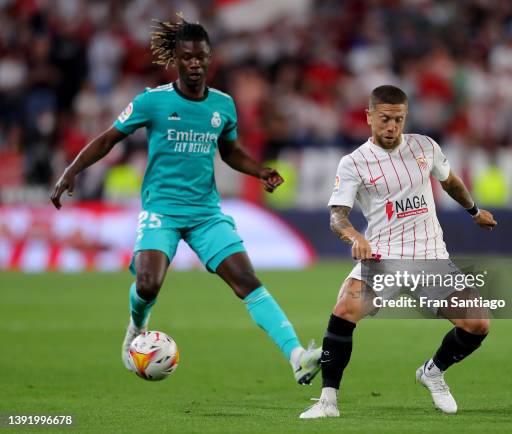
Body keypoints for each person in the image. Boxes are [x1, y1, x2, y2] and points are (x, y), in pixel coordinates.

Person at [50, 15, 321, 385]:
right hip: (161, 209)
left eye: (201, 57)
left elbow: (230, 152)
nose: (194, 64)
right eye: (187, 57)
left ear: (210, 59)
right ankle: (136, 327)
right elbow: (107, 138)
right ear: (175, 59)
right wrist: (71, 171)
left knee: (245, 278)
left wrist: (259, 170)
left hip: (205, 213)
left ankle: (297, 356)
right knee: (147, 284)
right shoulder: (153, 101)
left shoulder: (223, 105)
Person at [299, 85, 497, 418]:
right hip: (383, 257)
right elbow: (337, 216)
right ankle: (328, 401)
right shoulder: (355, 163)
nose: (392, 127)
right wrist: (354, 237)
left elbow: (449, 181)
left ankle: (432, 372)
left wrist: (474, 211)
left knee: (478, 324)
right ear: (369, 117)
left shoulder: (425, 147)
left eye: (399, 120)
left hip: (431, 255)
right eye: (385, 119)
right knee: (345, 309)